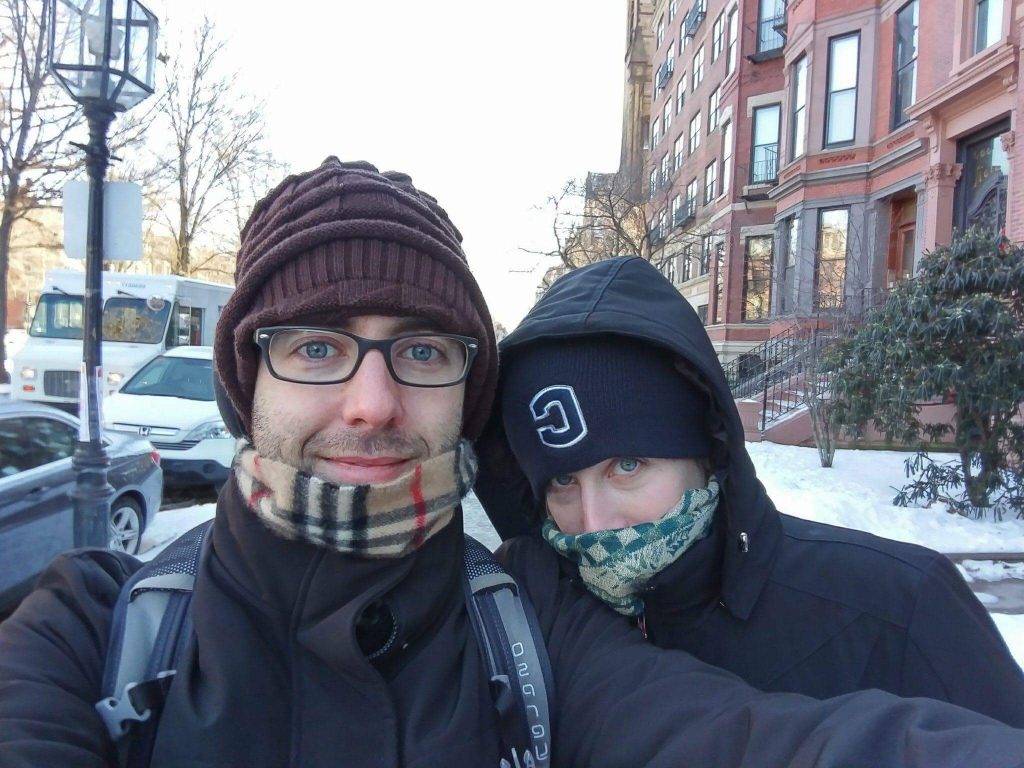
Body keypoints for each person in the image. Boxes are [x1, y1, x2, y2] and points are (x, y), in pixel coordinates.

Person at [2, 162, 1024, 768]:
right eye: (314, 347)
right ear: (246, 379)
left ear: (464, 392)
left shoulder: (526, 622)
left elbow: (759, 740)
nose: (371, 399)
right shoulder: (96, 631)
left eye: (421, 351)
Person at [476, 254, 1024, 728]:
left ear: (705, 453)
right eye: (564, 481)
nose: (594, 522)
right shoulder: (529, 625)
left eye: (627, 465)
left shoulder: (902, 608)